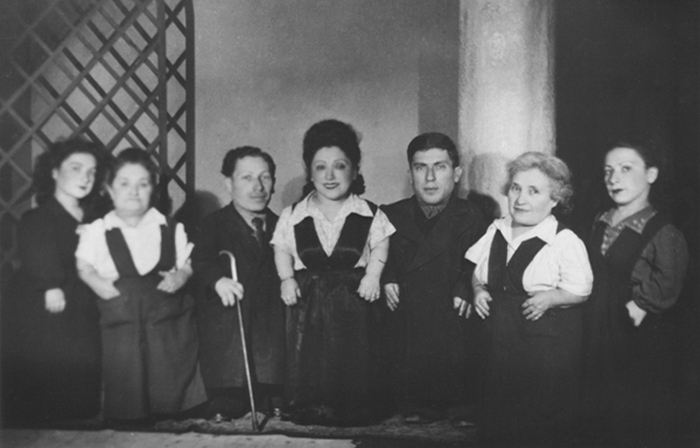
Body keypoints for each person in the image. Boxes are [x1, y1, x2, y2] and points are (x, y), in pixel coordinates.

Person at [271, 119, 395, 426]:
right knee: (310, 354)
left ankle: (355, 409)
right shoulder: (293, 215)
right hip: (308, 301)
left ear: (354, 170)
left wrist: (373, 276)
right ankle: (311, 407)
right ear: (310, 173)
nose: (329, 176)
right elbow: (281, 248)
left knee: (354, 354)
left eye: (339, 166)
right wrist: (286, 279)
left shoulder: (370, 213)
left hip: (355, 301)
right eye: (320, 167)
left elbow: (381, 245)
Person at [465, 151, 593, 444]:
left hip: (543, 347)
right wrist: (478, 290)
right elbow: (476, 271)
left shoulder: (563, 240)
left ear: (555, 199)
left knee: (538, 420)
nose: (521, 199)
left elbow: (581, 290)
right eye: (516, 188)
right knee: (499, 414)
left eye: (533, 191)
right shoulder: (497, 229)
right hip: (500, 343)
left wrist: (552, 297)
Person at [76, 148, 206, 422]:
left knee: (168, 365)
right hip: (121, 311)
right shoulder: (97, 230)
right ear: (109, 190)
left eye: (142, 184)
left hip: (165, 311)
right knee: (126, 366)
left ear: (153, 191)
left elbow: (186, 264)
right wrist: (100, 285)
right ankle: (129, 414)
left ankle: (170, 408)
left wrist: (180, 277)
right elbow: (84, 267)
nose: (133, 192)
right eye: (124, 184)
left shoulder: (170, 228)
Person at [581, 141, 689, 446]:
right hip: (596, 325)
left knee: (631, 412)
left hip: (634, 332)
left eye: (626, 169)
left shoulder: (663, 230)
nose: (614, 179)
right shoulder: (600, 220)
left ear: (651, 174)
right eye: (608, 171)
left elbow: (670, 281)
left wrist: (642, 304)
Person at [380, 132, 486, 424]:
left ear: (456, 174)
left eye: (439, 167)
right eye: (420, 167)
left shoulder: (474, 216)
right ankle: (416, 404)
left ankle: (459, 404)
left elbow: (483, 263)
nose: (429, 178)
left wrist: (467, 285)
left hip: (454, 324)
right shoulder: (390, 215)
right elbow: (376, 256)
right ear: (410, 174)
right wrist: (387, 276)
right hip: (408, 327)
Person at [1, 138, 107, 421]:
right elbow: (39, 253)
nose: (85, 178)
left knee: (80, 386)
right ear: (55, 172)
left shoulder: (94, 217)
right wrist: (51, 285)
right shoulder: (38, 217)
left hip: (81, 300)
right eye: (76, 168)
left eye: (92, 172)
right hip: (45, 300)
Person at [191, 146, 285, 420]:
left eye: (265, 177)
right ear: (229, 183)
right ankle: (227, 395)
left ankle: (270, 392)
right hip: (229, 314)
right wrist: (216, 279)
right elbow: (198, 261)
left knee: (272, 347)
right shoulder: (212, 225)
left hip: (269, 314)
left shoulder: (284, 225)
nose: (258, 187)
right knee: (228, 349)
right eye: (247, 178)